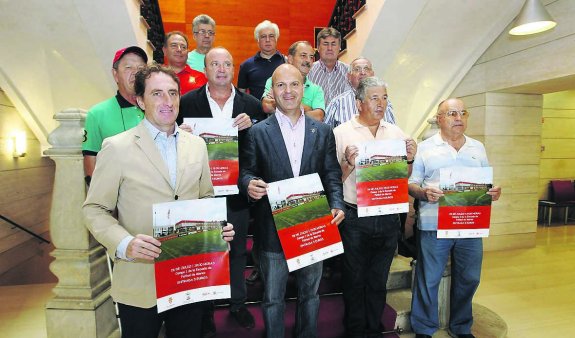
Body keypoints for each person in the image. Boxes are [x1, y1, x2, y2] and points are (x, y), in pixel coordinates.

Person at [83, 63, 236, 338]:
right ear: (140, 100)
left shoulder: (197, 145)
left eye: (173, 93)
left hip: (188, 280)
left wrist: (218, 228)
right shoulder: (116, 147)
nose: (167, 102)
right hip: (140, 280)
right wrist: (124, 243)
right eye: (157, 94)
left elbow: (205, 197)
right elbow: (94, 209)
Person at [239, 64, 345, 338]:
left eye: (294, 84)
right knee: (273, 298)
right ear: (272, 91)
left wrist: (337, 204)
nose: (288, 91)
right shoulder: (257, 132)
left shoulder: (321, 131)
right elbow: (246, 171)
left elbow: (332, 173)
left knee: (310, 295)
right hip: (272, 231)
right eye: (281, 85)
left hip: (313, 227)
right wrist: (248, 184)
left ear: (304, 88)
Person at [177, 47, 267, 333]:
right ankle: (205, 313)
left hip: (236, 191)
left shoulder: (251, 105)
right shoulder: (186, 103)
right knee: (205, 253)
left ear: (233, 68)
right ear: (205, 69)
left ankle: (237, 305)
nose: (221, 68)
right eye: (214, 63)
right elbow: (170, 138)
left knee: (238, 250)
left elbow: (263, 141)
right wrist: (182, 135)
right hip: (199, 190)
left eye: (227, 63)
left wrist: (253, 125)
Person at [408, 98, 502, 338]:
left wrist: (493, 192)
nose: (458, 118)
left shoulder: (477, 147)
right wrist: (422, 192)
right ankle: (423, 328)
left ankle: (461, 326)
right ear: (439, 119)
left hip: (470, 225)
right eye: (451, 113)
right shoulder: (426, 147)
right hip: (434, 225)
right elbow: (411, 184)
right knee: (429, 278)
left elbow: (485, 183)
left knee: (469, 277)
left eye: (462, 113)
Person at [333, 77, 416, 338]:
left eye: (384, 98)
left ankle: (374, 326)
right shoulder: (341, 133)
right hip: (355, 217)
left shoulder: (395, 133)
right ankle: (356, 329)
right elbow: (332, 180)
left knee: (379, 278)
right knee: (355, 278)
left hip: (389, 216)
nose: (381, 104)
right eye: (374, 98)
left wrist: (410, 158)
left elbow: (404, 176)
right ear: (359, 103)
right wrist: (348, 163)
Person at [82, 46, 148, 185]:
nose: (136, 73)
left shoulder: (157, 108)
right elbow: (90, 159)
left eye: (141, 68)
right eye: (128, 67)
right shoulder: (97, 113)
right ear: (115, 74)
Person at [261, 41, 325, 121]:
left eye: (311, 57)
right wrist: (308, 108)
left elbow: (318, 117)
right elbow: (267, 106)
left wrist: (283, 102)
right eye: (303, 55)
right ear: (290, 59)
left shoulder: (316, 89)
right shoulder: (274, 80)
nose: (308, 60)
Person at [325, 57, 396, 128]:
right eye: (357, 69)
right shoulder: (337, 103)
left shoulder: (384, 102)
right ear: (349, 76)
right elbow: (325, 134)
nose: (362, 73)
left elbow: (392, 131)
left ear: (373, 75)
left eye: (366, 69)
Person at [237, 20, 285, 100]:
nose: (267, 40)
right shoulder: (246, 65)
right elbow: (241, 95)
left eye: (271, 36)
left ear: (276, 39)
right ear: (257, 40)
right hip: (255, 111)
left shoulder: (286, 63)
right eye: (263, 36)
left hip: (283, 110)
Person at [307, 27, 352, 106]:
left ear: (340, 47)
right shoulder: (309, 71)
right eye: (325, 44)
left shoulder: (349, 71)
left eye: (333, 44)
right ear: (318, 47)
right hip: (317, 117)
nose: (330, 48)